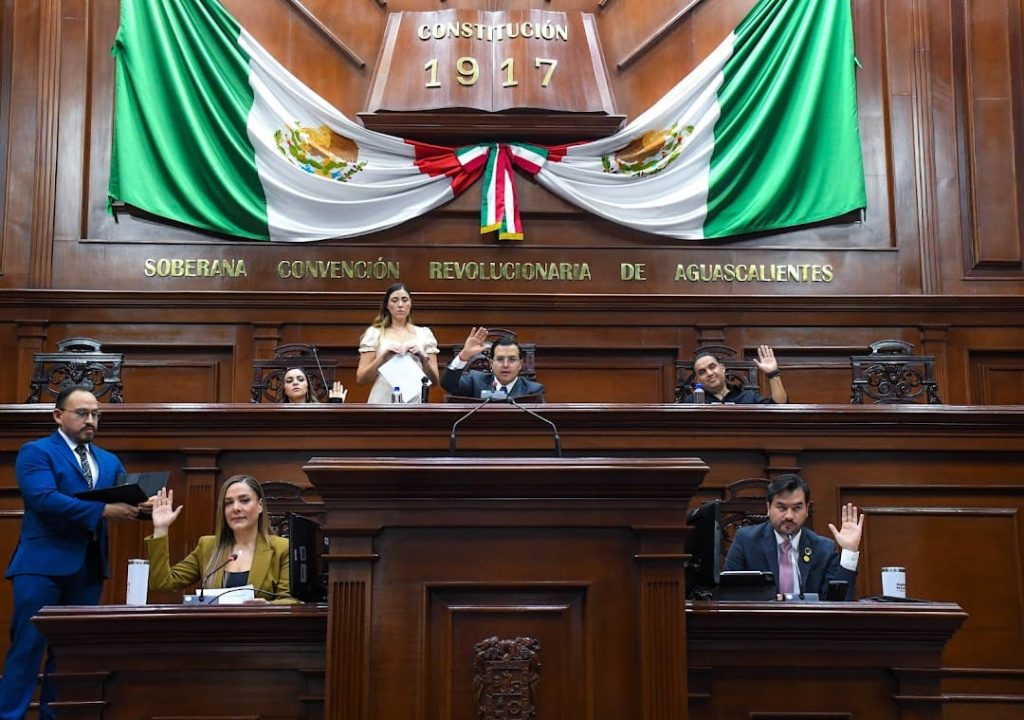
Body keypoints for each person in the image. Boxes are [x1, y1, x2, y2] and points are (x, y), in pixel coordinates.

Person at [1, 386, 139, 720]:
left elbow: (124, 499)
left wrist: (148, 507)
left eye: (95, 414)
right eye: (82, 413)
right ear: (58, 415)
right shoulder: (36, 452)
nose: (90, 420)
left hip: (88, 568)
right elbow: (45, 499)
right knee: (27, 648)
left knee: (69, 654)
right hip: (41, 566)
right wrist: (104, 511)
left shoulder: (108, 460)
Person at [145, 475, 295, 604]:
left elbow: (291, 600)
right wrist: (161, 529)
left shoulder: (282, 548)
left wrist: (268, 606)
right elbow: (162, 583)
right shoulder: (208, 546)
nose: (236, 508)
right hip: (214, 633)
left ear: (260, 506)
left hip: (261, 633)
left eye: (244, 500)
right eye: (228, 503)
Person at [724, 474, 864, 600]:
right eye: (782, 508)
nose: (789, 516)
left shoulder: (824, 549)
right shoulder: (746, 541)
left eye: (797, 508)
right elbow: (729, 596)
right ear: (768, 508)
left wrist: (849, 552)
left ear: (806, 509)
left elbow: (839, 603)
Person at [356, 283, 440, 403]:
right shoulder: (374, 334)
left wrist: (422, 358)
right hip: (381, 402)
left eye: (404, 300)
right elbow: (361, 379)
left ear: (410, 303)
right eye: (394, 300)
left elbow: (435, 381)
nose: (400, 305)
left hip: (414, 404)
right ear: (387, 305)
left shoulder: (424, 334)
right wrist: (383, 357)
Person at [441, 327, 546, 401]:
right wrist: (464, 355)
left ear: (520, 365)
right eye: (500, 359)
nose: (505, 365)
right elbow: (448, 384)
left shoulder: (533, 390)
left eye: (512, 360)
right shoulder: (475, 381)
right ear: (491, 363)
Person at [682, 345, 788, 403]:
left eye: (712, 367)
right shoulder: (691, 402)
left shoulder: (748, 397)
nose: (709, 373)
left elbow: (780, 407)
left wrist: (773, 374)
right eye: (702, 372)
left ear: (722, 368)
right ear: (697, 380)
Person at [280, 366, 347, 403]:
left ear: (308, 386)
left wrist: (336, 404)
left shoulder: (319, 412)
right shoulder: (275, 412)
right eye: (289, 381)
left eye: (300, 379)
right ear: (284, 389)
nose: (295, 383)